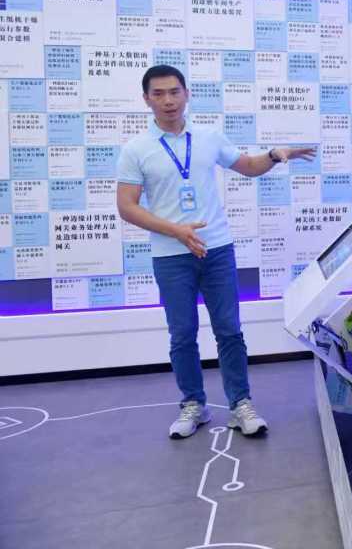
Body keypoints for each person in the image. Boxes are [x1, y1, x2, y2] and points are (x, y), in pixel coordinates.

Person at [116, 65, 315, 439]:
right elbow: (127, 206)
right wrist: (176, 231)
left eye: (174, 91)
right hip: (170, 256)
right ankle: (194, 404)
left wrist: (274, 154)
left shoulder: (208, 137)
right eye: (158, 94)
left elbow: (248, 166)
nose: (168, 100)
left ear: (186, 94)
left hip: (217, 250)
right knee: (182, 334)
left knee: (229, 330)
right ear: (146, 99)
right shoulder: (136, 149)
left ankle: (241, 404)